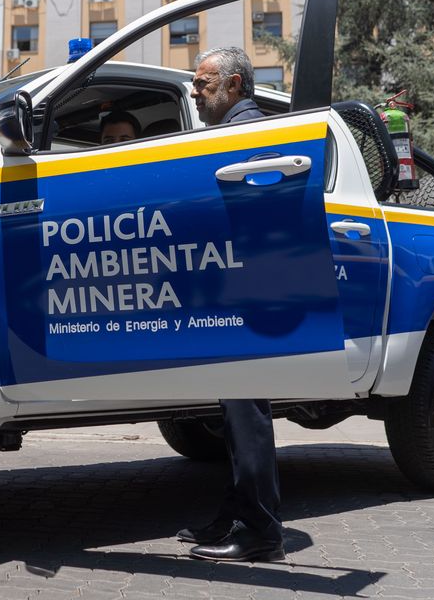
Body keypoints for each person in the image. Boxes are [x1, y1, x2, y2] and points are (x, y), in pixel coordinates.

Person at [178, 46, 285, 563]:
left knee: (247, 411)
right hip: (234, 284)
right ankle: (235, 513)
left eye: (203, 84)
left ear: (235, 86)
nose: (194, 92)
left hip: (246, 286)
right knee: (236, 411)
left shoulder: (249, 134)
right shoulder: (231, 133)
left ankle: (261, 530)